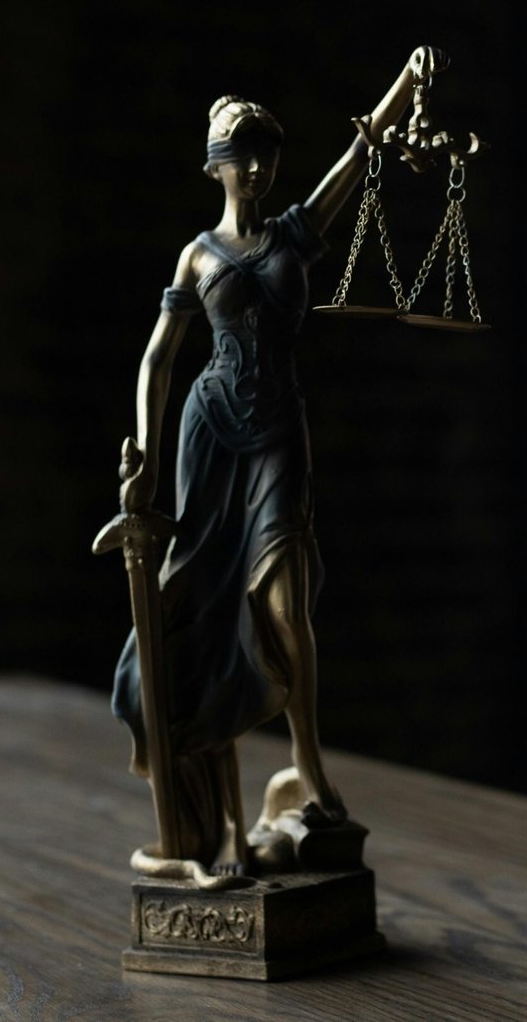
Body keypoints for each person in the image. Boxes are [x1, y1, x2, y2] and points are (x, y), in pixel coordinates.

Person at [111, 48, 440, 877]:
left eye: (266, 155)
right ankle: (218, 814)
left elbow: (359, 156)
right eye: (240, 157)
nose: (255, 169)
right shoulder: (198, 256)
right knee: (210, 610)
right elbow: (159, 357)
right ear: (215, 167)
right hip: (211, 433)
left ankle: (311, 766)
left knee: (288, 603)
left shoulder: (297, 231)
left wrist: (404, 83)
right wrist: (146, 460)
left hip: (278, 434)